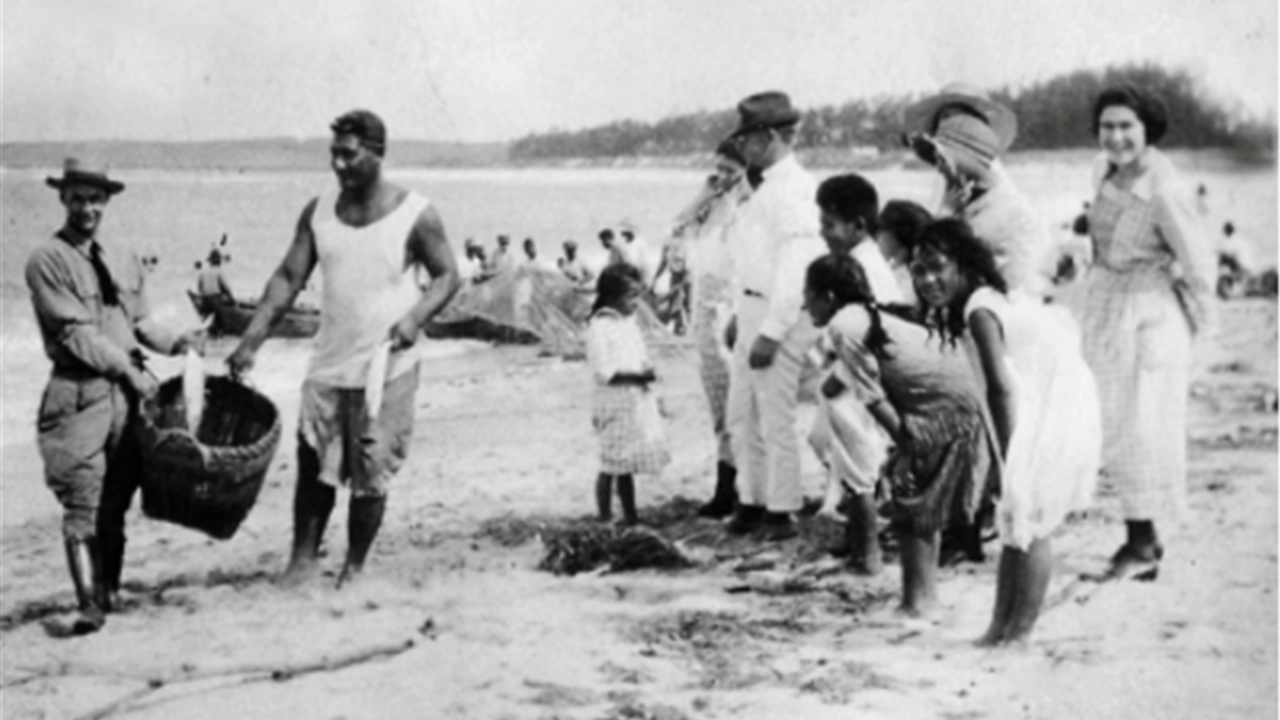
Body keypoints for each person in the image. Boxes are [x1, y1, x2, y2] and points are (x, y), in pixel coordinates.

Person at [227, 110, 461, 588]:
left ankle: (353, 568)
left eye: (348, 154)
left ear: (376, 154)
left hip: (386, 366)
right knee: (313, 463)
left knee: (370, 470)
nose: (337, 164)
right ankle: (302, 561)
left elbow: (447, 276)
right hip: (328, 363)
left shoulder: (416, 212)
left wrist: (414, 318)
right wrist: (251, 341)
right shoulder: (318, 211)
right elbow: (289, 278)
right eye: (333, 153)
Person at [26, 158, 205, 634]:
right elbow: (75, 335)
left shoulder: (122, 257)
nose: (88, 208)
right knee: (81, 499)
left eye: (96, 199)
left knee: (116, 499)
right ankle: (89, 604)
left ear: (107, 202)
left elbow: (140, 323)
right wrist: (130, 370)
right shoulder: (48, 260)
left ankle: (109, 592)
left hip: (127, 399)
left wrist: (178, 343)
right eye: (78, 198)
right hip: (78, 396)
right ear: (63, 199)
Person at [911, 217, 1101, 644]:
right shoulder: (969, 305)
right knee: (1014, 521)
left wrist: (1007, 458)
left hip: (1051, 404)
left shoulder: (979, 309)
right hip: (1037, 399)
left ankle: (1019, 632)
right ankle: (1000, 626)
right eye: (918, 270)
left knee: (1030, 519)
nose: (927, 279)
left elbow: (999, 387)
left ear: (962, 263)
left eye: (937, 266)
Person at [805, 253, 997, 608]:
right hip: (950, 402)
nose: (804, 305)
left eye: (808, 296)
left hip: (932, 411)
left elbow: (869, 392)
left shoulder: (846, 324)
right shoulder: (867, 314)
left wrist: (908, 442)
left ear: (828, 297)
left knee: (898, 495)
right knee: (909, 500)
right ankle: (919, 595)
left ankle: (901, 586)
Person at [1078, 86, 1215, 582]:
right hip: (1107, 309)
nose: (1115, 138)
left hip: (1150, 318)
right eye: (1107, 127)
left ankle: (1142, 546)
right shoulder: (1102, 172)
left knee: (1142, 430)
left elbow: (1200, 266)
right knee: (1115, 425)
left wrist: (1202, 330)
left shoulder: (1164, 190)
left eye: (1126, 128)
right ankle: (1142, 538)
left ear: (1147, 130)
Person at [722, 91, 827, 540]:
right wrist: (737, 314)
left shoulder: (795, 189)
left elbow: (796, 266)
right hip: (751, 305)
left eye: (747, 139)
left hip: (775, 311)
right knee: (741, 412)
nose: (742, 148)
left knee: (775, 413)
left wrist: (771, 329)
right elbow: (754, 258)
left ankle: (781, 508)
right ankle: (752, 498)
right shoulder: (766, 188)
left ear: (767, 138)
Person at [806, 174, 906, 563]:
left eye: (829, 224)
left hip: (865, 384)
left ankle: (866, 544)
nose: (822, 232)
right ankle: (861, 530)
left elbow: (874, 335)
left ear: (859, 226)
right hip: (856, 377)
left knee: (857, 462)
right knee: (830, 447)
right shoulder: (854, 262)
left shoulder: (868, 269)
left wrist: (838, 377)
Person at [665, 138, 753, 518]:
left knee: (736, 405)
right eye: (718, 169)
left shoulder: (747, 209)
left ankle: (734, 488)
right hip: (706, 313)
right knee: (719, 404)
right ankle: (728, 486)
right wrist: (705, 193)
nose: (722, 177)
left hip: (728, 312)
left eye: (730, 170)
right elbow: (675, 226)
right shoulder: (714, 206)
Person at [906, 84, 1055, 299]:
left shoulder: (1007, 202)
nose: (952, 124)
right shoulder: (950, 180)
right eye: (945, 119)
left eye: (961, 119)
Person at [586, 263, 671, 525]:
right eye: (631, 296)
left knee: (625, 464)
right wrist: (638, 377)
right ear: (612, 297)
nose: (637, 302)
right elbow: (604, 371)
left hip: (631, 401)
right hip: (614, 402)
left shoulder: (627, 323)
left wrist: (647, 373)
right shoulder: (600, 327)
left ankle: (631, 514)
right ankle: (604, 515)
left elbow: (638, 354)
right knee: (609, 463)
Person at [876, 200, 933, 306]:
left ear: (895, 235)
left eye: (881, 228)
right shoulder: (908, 278)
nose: (877, 235)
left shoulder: (900, 285)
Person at [193, 247, 235, 314]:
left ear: (210, 261)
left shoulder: (203, 272)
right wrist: (232, 300)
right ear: (219, 261)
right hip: (215, 302)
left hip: (205, 302)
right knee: (228, 303)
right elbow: (225, 288)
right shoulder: (218, 271)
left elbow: (200, 288)